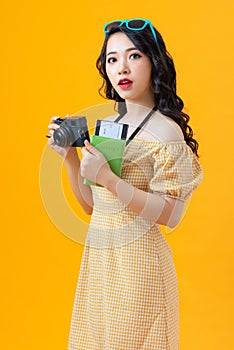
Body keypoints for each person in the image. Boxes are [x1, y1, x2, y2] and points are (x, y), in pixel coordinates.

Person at [47, 18, 203, 350]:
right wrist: (69, 158)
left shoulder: (165, 131)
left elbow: (171, 215)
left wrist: (109, 178)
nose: (122, 68)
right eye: (113, 59)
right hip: (101, 263)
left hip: (140, 267)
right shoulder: (110, 124)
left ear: (153, 61)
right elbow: (92, 206)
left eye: (134, 56)